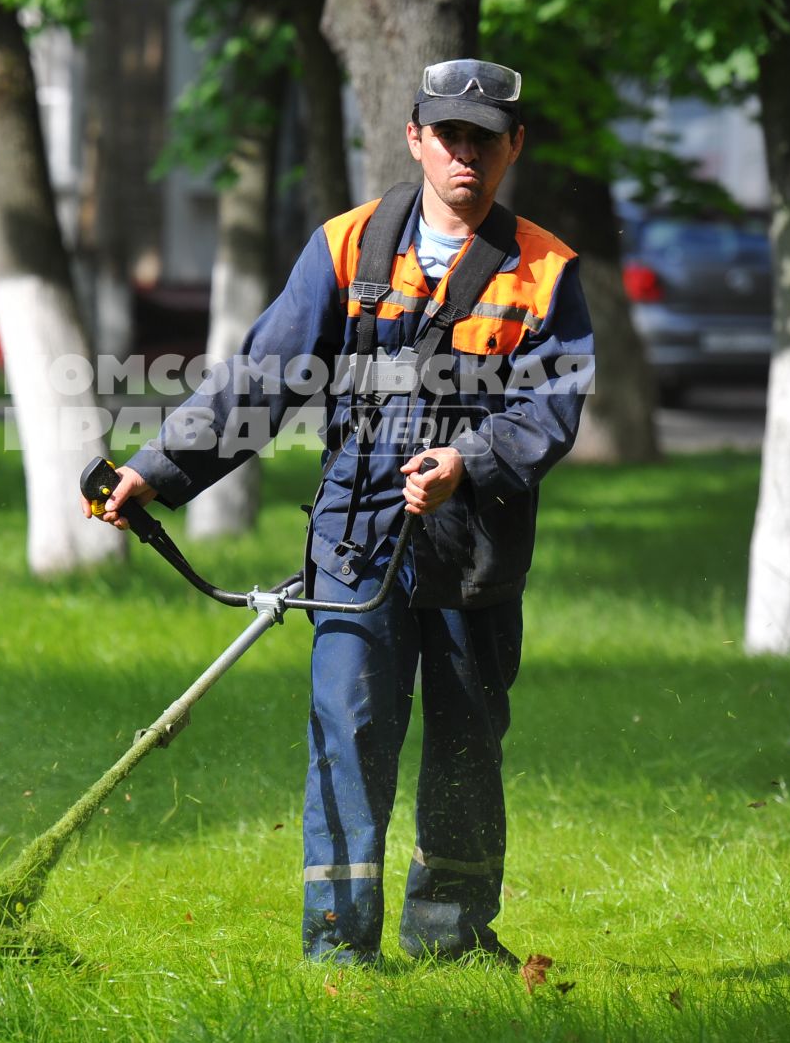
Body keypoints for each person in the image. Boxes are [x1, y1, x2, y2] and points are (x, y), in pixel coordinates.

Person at [88, 58, 594, 967]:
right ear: (416, 140)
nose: (465, 154)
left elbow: (549, 412)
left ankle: (450, 937)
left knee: (467, 743)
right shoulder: (347, 246)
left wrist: (466, 462)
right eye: (449, 136)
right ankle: (339, 951)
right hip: (356, 538)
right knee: (349, 731)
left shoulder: (548, 271)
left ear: (515, 146)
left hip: (473, 547)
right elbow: (261, 378)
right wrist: (157, 471)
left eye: (486, 138)